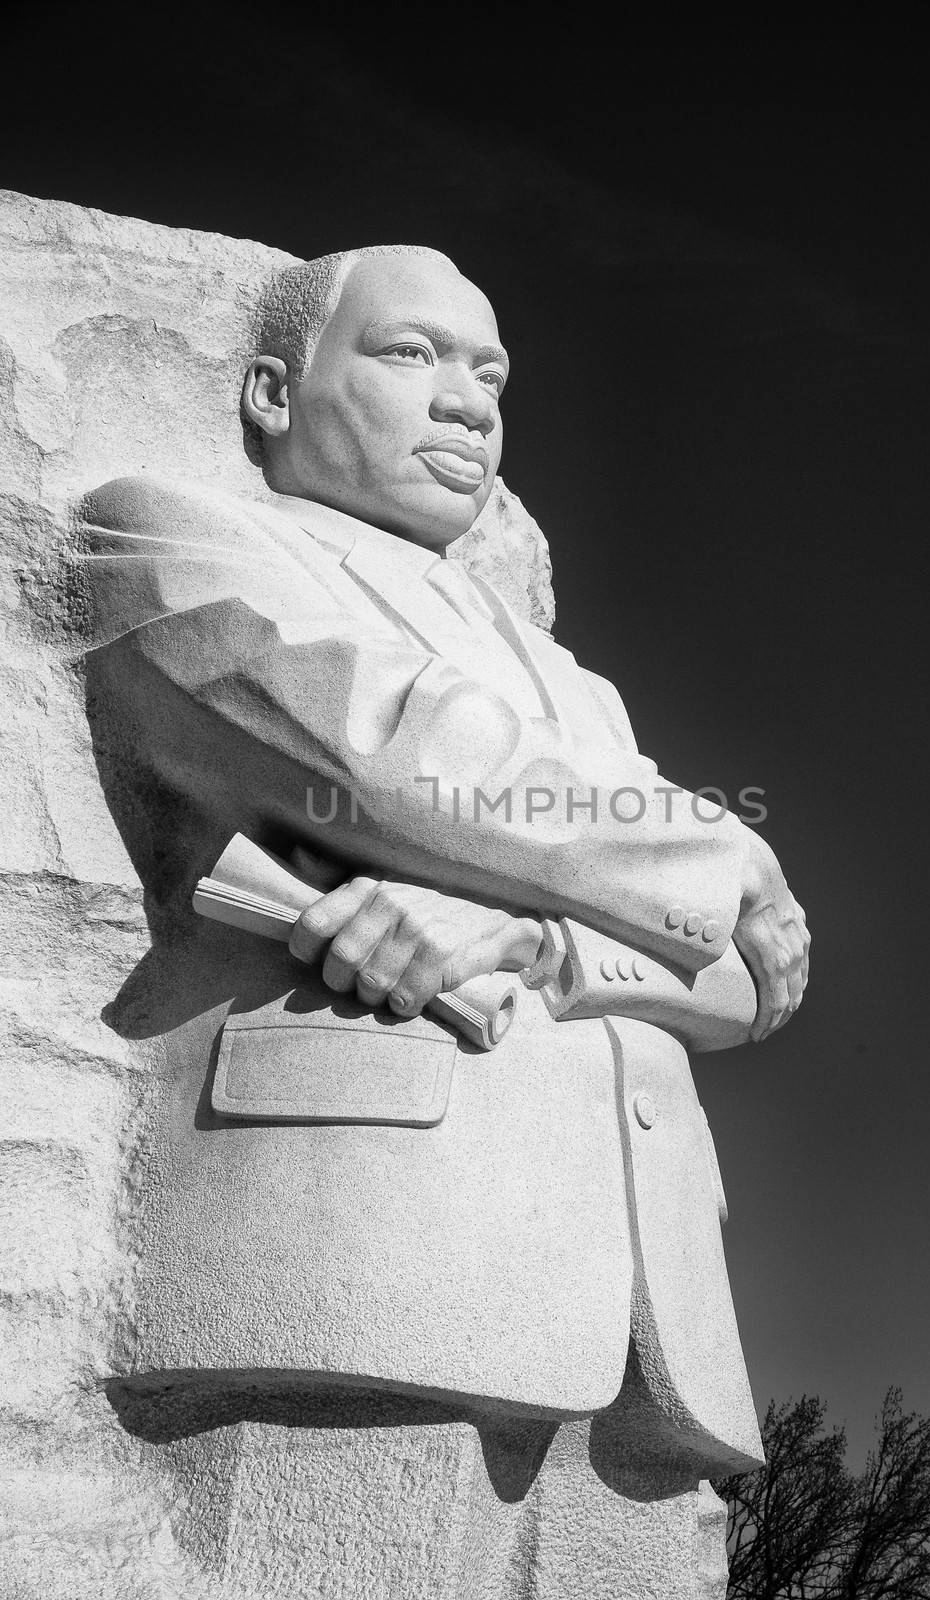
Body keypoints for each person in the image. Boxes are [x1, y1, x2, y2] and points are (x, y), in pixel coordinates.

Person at [79, 244, 809, 1599]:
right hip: (362, 1259)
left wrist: (530, 940)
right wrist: (720, 841)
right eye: (411, 356)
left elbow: (755, 981)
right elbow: (384, 757)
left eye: (490, 375)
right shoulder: (171, 531)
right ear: (272, 393)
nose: (470, 402)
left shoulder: (574, 687)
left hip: (648, 1331)